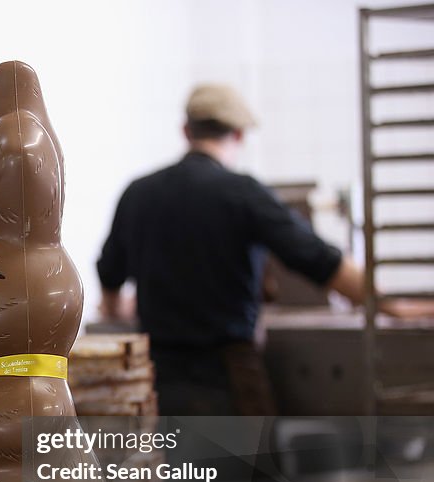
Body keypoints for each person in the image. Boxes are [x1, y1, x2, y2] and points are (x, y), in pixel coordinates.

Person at [96, 83, 423, 416]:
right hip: (229, 380)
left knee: (170, 467)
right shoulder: (243, 193)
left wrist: (116, 306)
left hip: (153, 381)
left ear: (186, 130)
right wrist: (391, 306)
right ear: (238, 135)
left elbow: (108, 275)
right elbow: (320, 261)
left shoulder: (137, 194)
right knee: (239, 468)